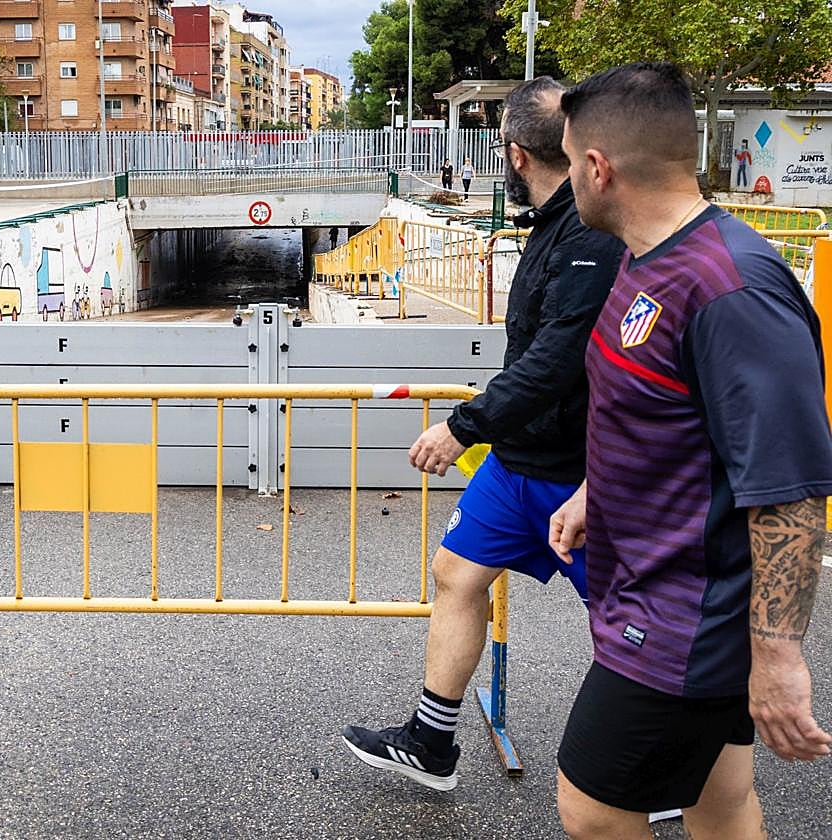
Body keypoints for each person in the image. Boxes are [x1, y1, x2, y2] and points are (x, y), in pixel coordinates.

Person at [551, 61, 832, 839]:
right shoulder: (650, 262)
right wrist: (590, 494)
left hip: (685, 620)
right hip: (649, 590)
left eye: (573, 162)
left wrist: (776, 657)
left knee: (593, 808)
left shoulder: (731, 287)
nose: (570, 177)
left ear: (599, 169)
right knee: (720, 799)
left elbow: (788, 488)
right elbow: (655, 414)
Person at [341, 76, 625, 791]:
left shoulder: (590, 234)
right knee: (456, 574)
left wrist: (461, 425)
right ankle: (432, 745)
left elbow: (561, 356)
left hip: (583, 472)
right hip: (520, 460)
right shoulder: (554, 223)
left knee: (628, 624)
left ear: (514, 154)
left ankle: (652, 766)